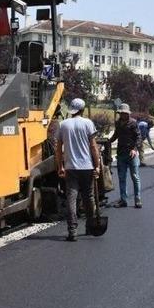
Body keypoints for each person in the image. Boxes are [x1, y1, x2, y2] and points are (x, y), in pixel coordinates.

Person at [55, 98, 102, 242]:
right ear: (82, 110)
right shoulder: (88, 123)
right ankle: (89, 226)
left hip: (71, 168)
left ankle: (72, 231)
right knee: (89, 197)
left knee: (71, 198)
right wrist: (97, 165)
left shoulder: (63, 125)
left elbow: (58, 149)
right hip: (86, 167)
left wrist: (60, 166)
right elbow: (93, 147)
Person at [108, 103, 142, 208]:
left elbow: (138, 137)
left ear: (128, 114)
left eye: (124, 113)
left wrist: (134, 149)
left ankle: (138, 199)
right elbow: (116, 135)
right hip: (121, 154)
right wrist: (107, 141)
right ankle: (123, 200)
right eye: (121, 113)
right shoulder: (118, 123)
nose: (122, 115)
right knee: (122, 178)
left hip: (132, 154)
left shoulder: (133, 123)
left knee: (135, 177)